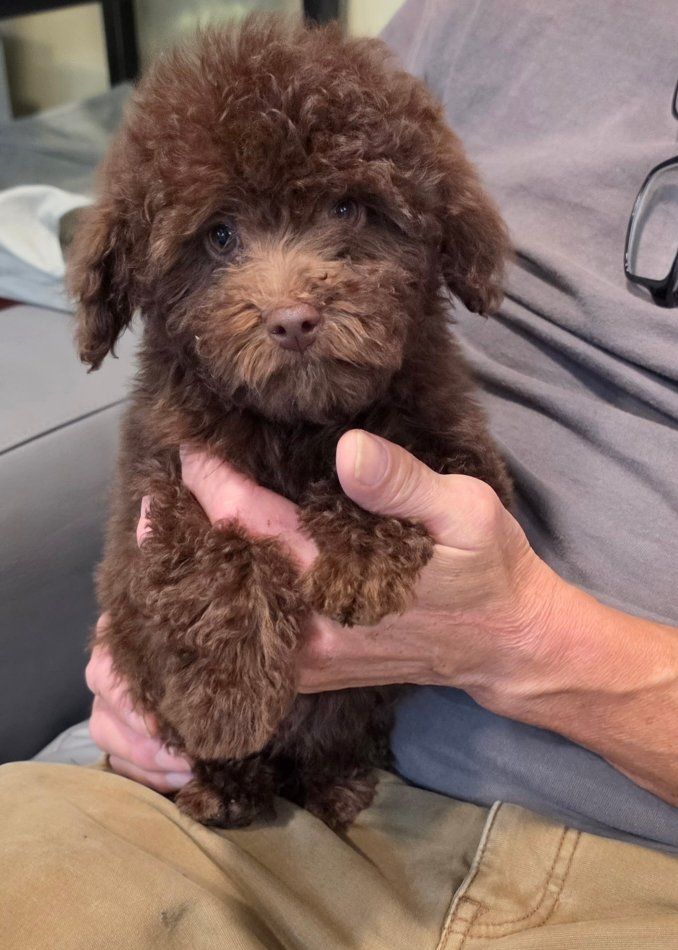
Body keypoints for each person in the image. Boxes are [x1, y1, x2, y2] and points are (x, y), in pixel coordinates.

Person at [1, 0, 677, 947]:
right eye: (225, 237)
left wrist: (524, 637)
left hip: (620, 852)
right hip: (222, 799)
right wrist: (171, 661)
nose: (289, 299)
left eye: (347, 214)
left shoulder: (433, 330)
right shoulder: (465, 20)